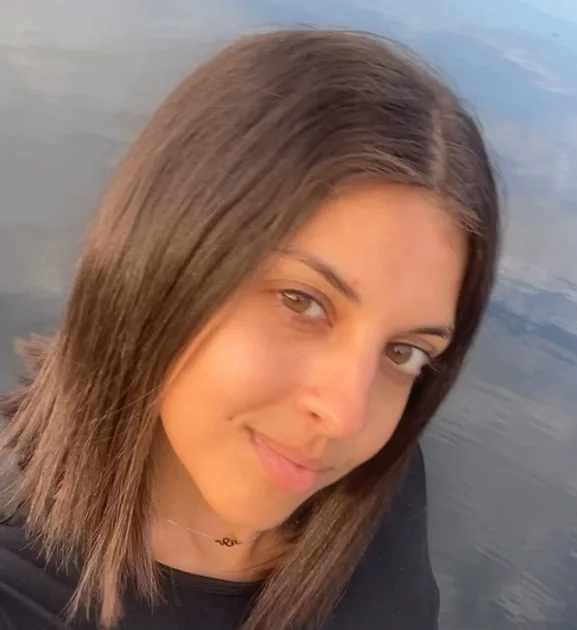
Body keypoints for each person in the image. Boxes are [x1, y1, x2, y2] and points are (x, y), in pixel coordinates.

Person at [0, 28, 500, 630]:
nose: (346, 415)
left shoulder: (378, 478)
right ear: (162, 261)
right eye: (301, 301)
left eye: (405, 351)